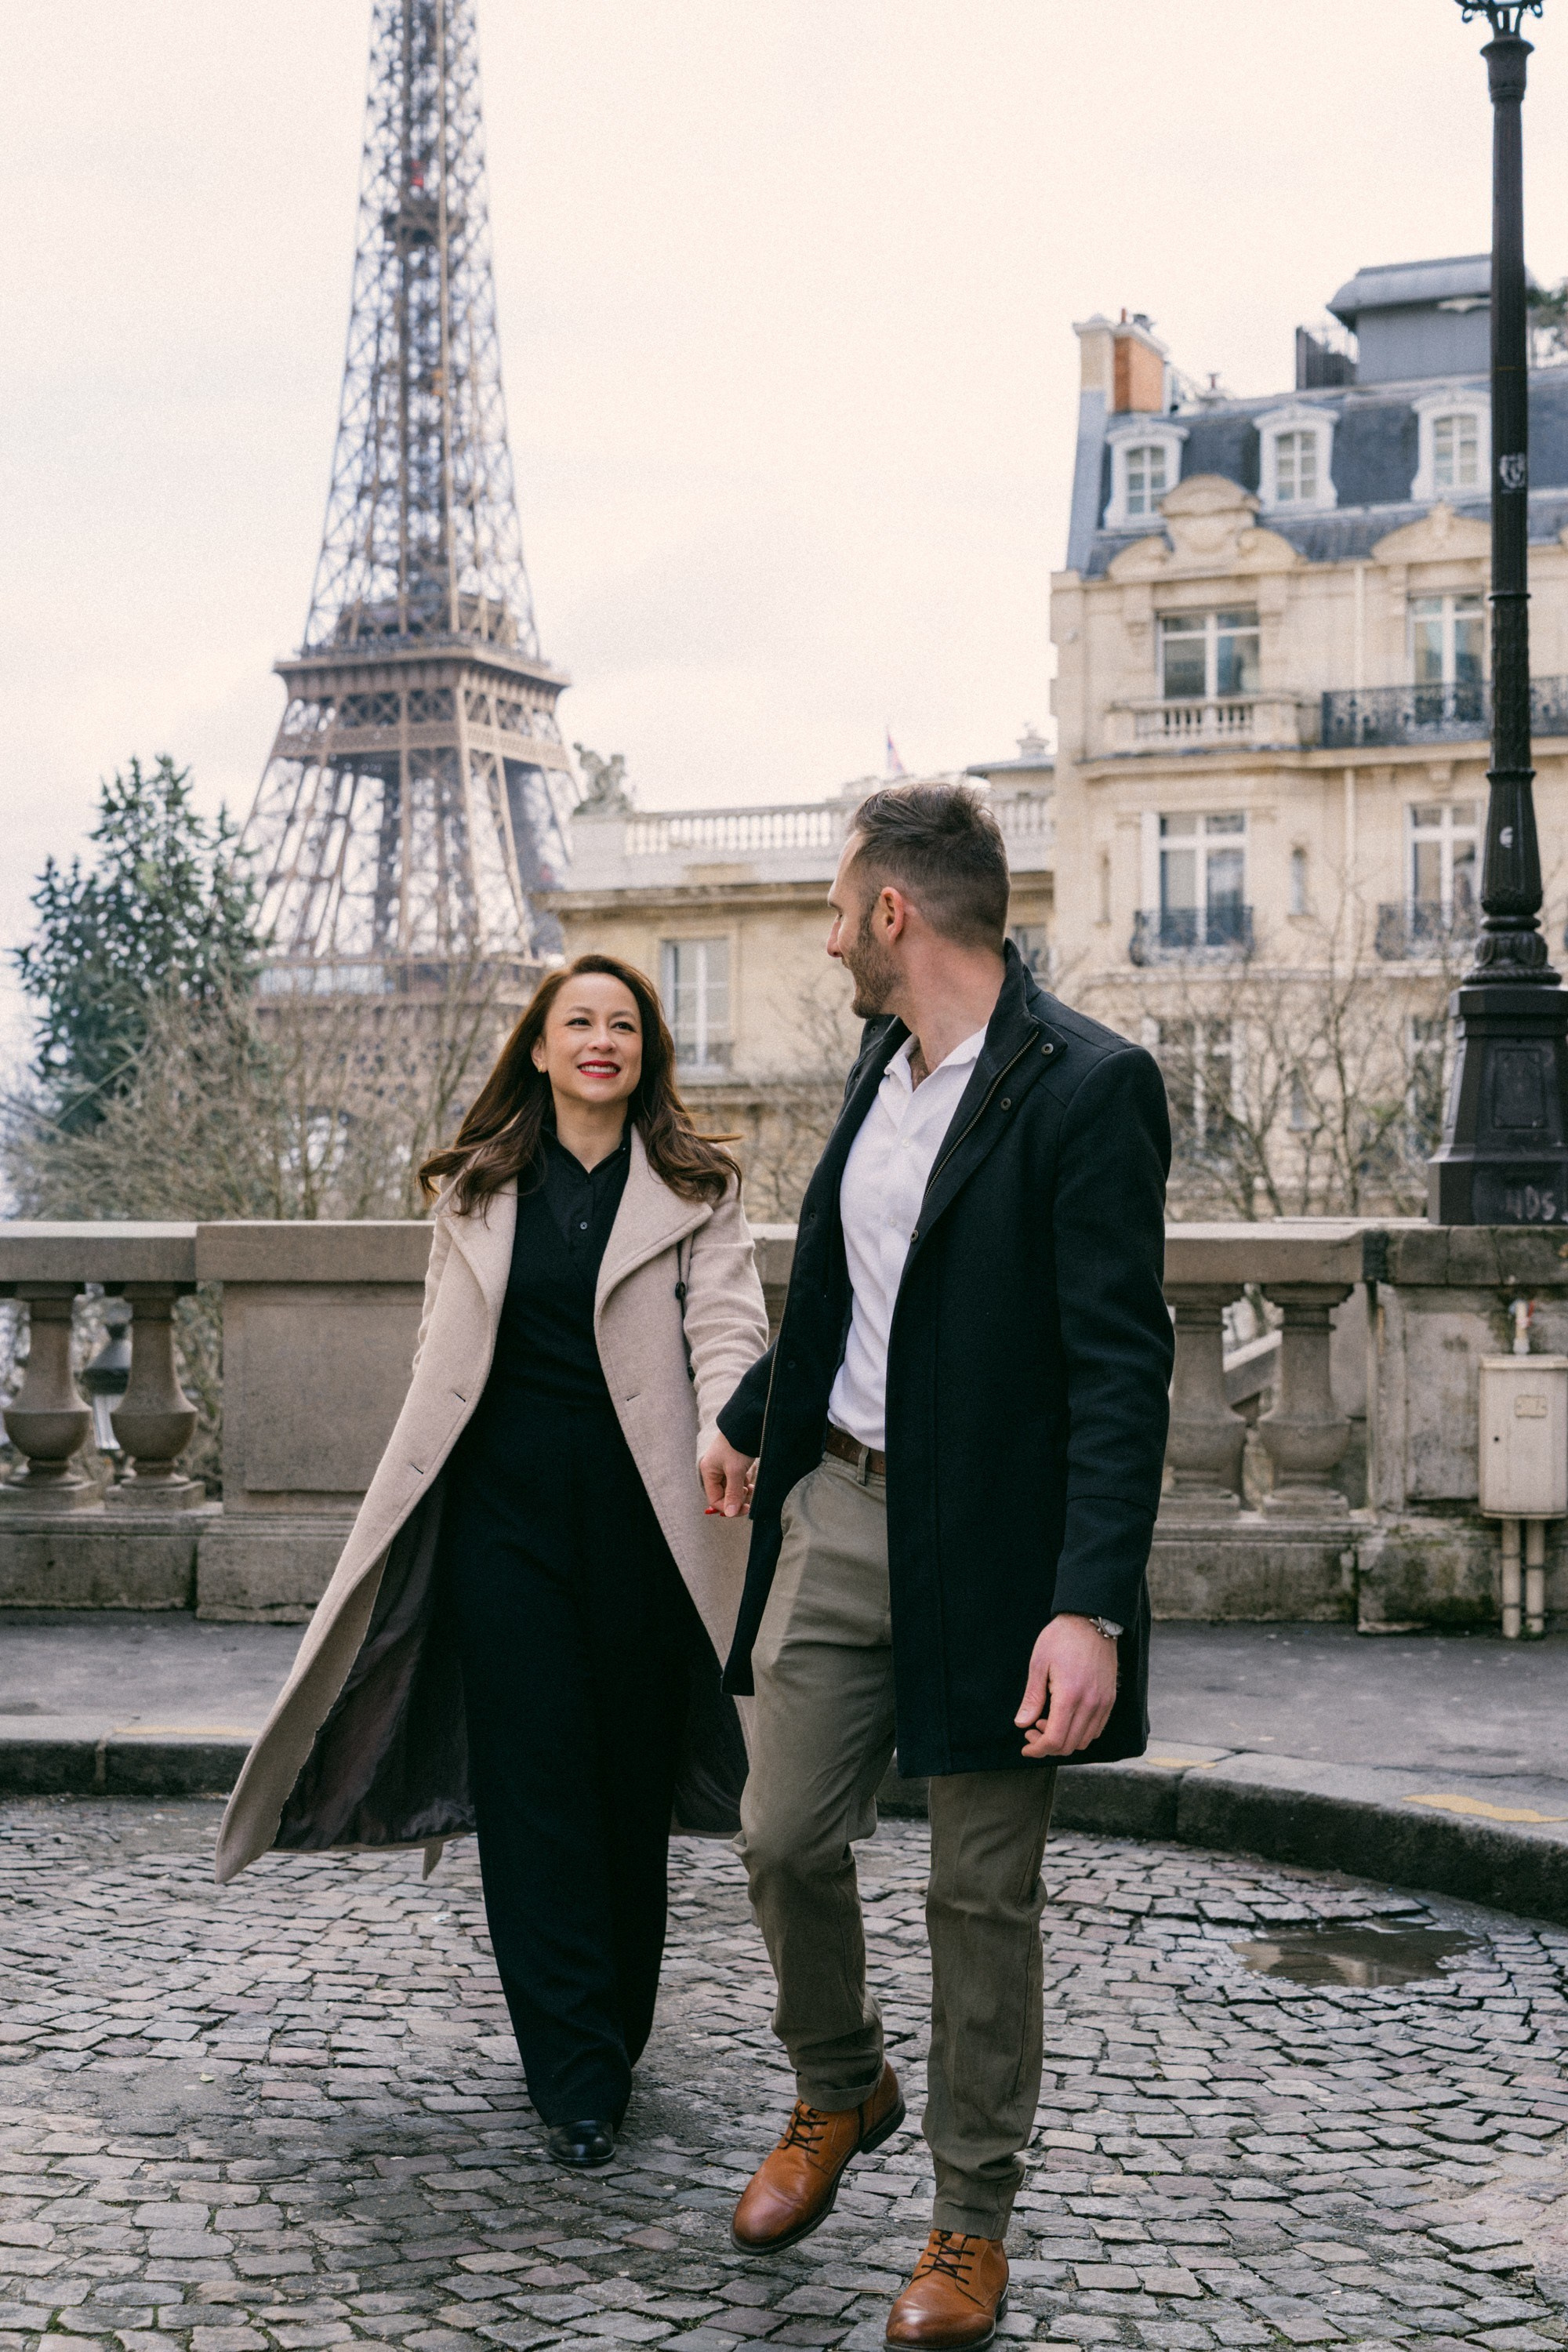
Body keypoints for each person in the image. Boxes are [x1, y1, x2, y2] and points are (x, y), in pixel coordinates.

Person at [699, 783, 1173, 2350]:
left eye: (840, 908)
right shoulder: (876, 1069)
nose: (828, 937)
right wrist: (752, 1420)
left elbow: (1120, 1369)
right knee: (776, 1834)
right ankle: (842, 2087)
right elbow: (842, 1288)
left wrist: (1086, 1602)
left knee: (980, 1895)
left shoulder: (1088, 1088)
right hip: (837, 1513)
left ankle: (968, 2220)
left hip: (1001, 1555)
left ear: (897, 913)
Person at [216, 953, 768, 2172]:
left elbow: (729, 1324)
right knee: (533, 1792)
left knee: (624, 1785)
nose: (602, 1041)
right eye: (580, 1021)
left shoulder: (693, 1186)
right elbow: (437, 1347)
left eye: (624, 1025)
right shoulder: (473, 1187)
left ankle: (609, 2034)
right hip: (501, 1525)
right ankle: (572, 2074)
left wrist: (733, 1418)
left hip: (644, 1521)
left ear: (646, 1053)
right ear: (538, 1044)